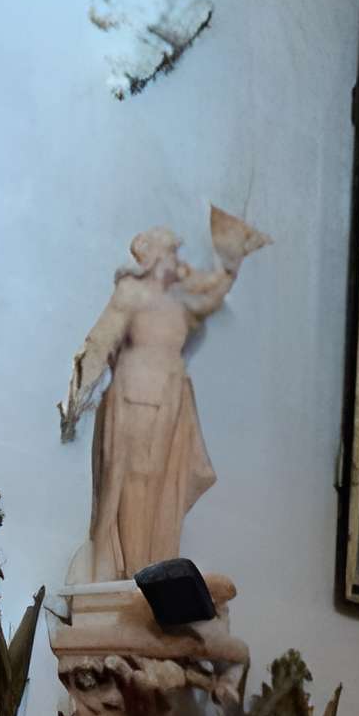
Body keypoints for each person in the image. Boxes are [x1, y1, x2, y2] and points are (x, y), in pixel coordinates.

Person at [59, 209, 267, 582]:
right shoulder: (132, 292)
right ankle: (134, 571)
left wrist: (231, 264)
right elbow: (101, 341)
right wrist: (78, 395)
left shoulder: (177, 303)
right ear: (154, 256)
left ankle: (151, 565)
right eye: (172, 252)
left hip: (170, 400)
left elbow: (209, 297)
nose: (178, 260)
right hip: (136, 394)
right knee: (135, 479)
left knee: (158, 484)